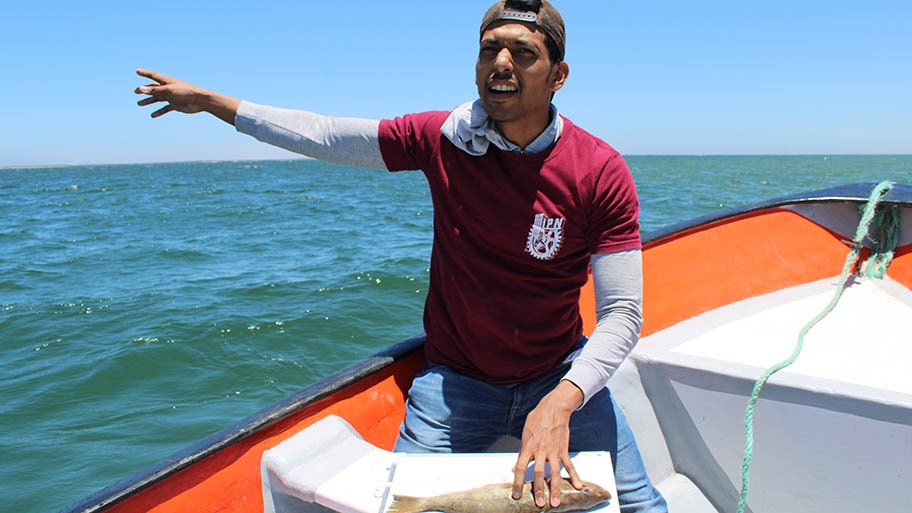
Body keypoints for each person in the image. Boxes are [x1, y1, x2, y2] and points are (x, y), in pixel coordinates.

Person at [135, 1, 667, 511]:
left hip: (559, 372)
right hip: (457, 382)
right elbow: (325, 135)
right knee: (406, 508)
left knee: (641, 505)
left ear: (558, 75)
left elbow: (622, 313)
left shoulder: (598, 170)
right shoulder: (442, 139)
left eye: (523, 53)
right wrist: (215, 104)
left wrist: (562, 400)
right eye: (489, 50)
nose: (501, 63)